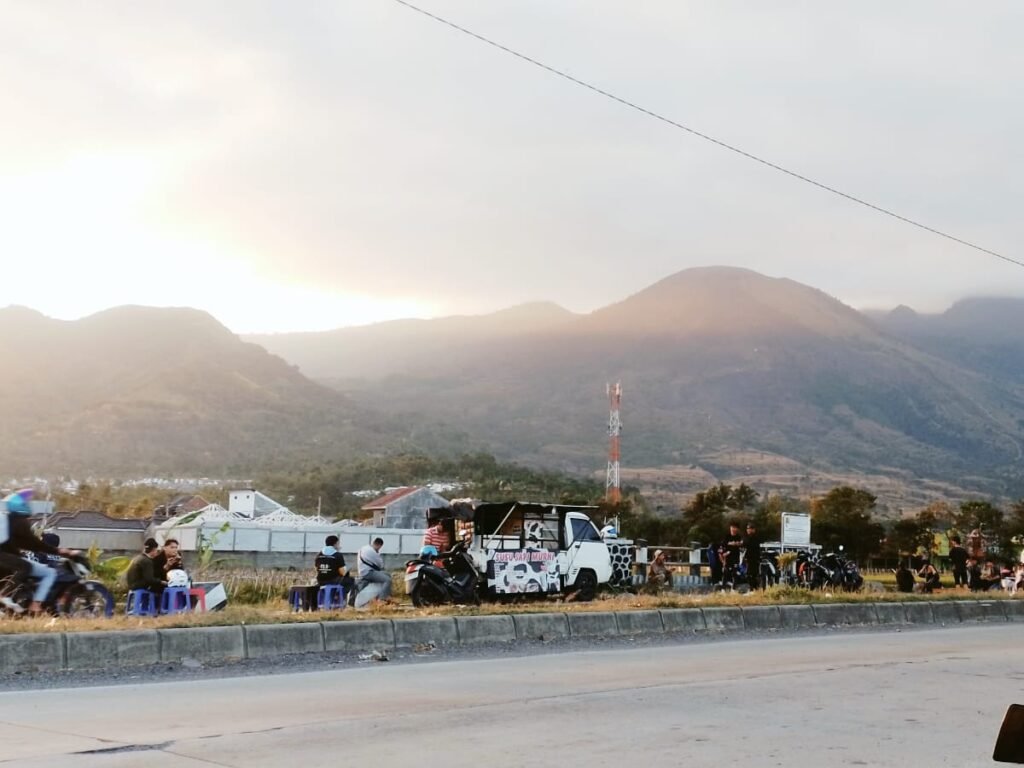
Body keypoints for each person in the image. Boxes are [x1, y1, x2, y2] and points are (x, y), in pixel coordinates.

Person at [1, 489, 79, 615]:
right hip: (8, 559)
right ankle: (34, 604)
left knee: (28, 567)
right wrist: (60, 551)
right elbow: (34, 544)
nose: (28, 505)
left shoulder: (7, 522)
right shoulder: (19, 522)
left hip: (8, 560)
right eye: (26, 503)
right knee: (46, 572)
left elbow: (27, 545)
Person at [314, 535, 356, 605]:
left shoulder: (318, 555)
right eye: (338, 543)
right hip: (333, 580)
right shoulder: (337, 555)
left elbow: (316, 568)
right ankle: (342, 599)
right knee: (351, 580)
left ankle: (330, 598)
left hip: (320, 580)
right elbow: (342, 572)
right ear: (335, 544)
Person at [355, 537, 391, 608]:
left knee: (387, 575)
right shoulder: (372, 551)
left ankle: (385, 596)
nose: (379, 550)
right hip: (368, 573)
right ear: (379, 545)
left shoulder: (364, 548)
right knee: (387, 580)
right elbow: (380, 564)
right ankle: (381, 599)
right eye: (379, 548)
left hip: (363, 571)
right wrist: (377, 553)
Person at [743, 521, 762, 589]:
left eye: (750, 528)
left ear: (754, 530)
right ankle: (753, 588)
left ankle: (754, 588)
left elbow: (749, 545)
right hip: (748, 559)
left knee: (752, 575)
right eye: (747, 528)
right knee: (749, 575)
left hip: (754, 559)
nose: (748, 530)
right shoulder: (746, 537)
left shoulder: (755, 538)